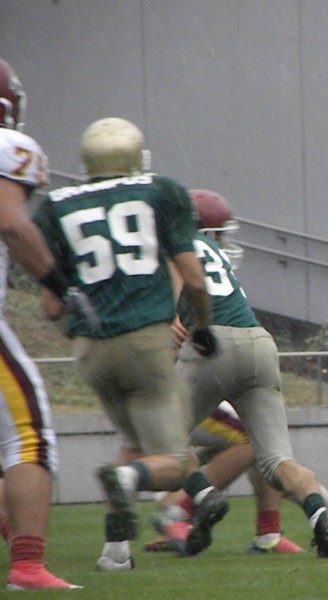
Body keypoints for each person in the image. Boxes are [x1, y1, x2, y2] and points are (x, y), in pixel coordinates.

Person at [33, 117, 227, 571]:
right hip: (145, 341)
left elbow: (51, 306)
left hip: (91, 352)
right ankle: (136, 483)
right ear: (135, 157)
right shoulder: (159, 191)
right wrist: (203, 325)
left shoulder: (55, 205)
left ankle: (116, 552)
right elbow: (195, 278)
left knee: (135, 441)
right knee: (170, 462)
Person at [170, 188, 328, 558]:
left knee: (162, 438)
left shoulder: (173, 247)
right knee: (277, 460)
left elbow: (173, 310)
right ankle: (321, 516)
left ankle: (182, 510)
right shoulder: (215, 255)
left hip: (211, 347)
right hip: (259, 343)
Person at [0, 57, 85, 590]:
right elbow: (12, 225)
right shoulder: (9, 146)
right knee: (28, 435)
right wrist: (59, 282)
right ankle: (28, 565)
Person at [144, 401, 328, 554]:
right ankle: (180, 514)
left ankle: (268, 535)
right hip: (173, 392)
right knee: (258, 438)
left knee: (258, 442)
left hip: (161, 391)